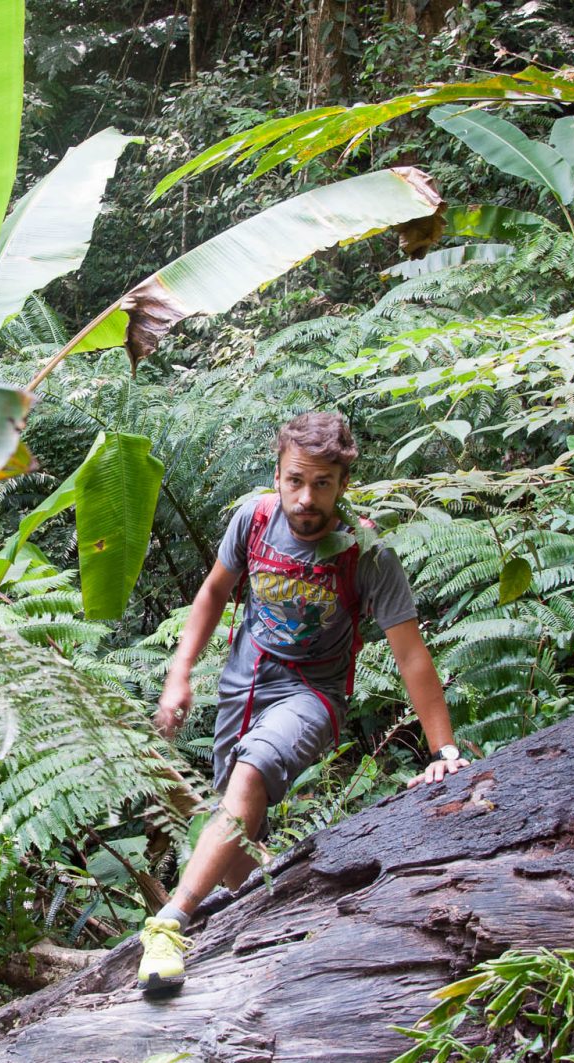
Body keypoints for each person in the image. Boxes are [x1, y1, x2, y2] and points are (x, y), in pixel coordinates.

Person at [136, 412, 468, 993]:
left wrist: (443, 748)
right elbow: (214, 591)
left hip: (314, 695)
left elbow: (412, 655)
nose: (306, 497)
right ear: (278, 474)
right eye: (295, 481)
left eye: (321, 484)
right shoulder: (254, 520)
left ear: (343, 484)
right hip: (243, 688)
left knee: (251, 774)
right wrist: (179, 674)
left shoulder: (368, 555)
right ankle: (296, 913)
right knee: (238, 849)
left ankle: (169, 922)